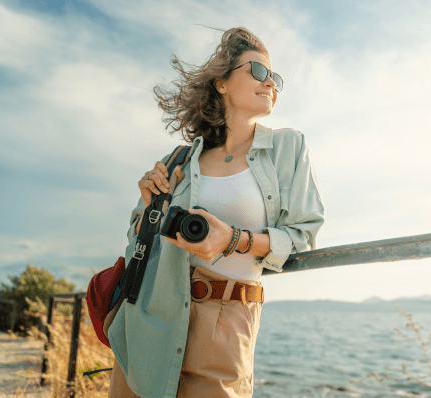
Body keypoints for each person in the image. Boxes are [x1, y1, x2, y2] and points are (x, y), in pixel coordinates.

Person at [107, 27, 325, 398]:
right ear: (222, 83)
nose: (269, 82)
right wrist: (150, 205)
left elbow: (302, 237)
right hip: (150, 310)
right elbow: (136, 240)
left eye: (275, 77)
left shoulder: (288, 147)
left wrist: (233, 239)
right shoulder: (178, 159)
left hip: (228, 319)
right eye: (258, 71)